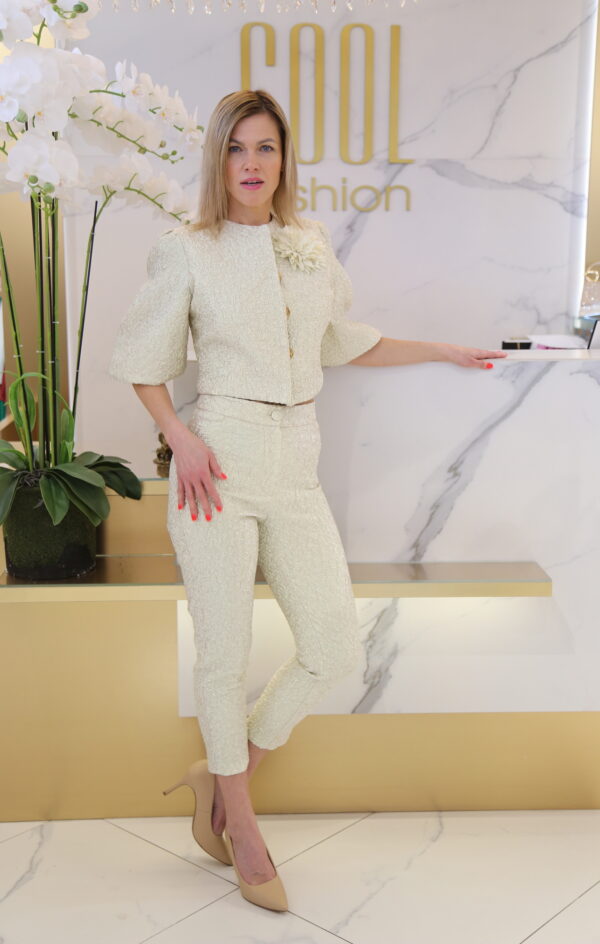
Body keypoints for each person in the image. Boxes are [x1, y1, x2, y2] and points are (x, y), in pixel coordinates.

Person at [108, 88, 507, 912]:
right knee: (223, 655)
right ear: (218, 159)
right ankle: (243, 826)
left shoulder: (309, 245)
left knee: (333, 646)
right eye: (237, 148)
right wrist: (180, 437)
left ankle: (225, 778)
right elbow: (144, 361)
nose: (252, 163)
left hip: (296, 461)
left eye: (266, 147)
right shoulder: (187, 250)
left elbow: (337, 341)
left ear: (285, 159)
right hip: (217, 463)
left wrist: (441, 348)